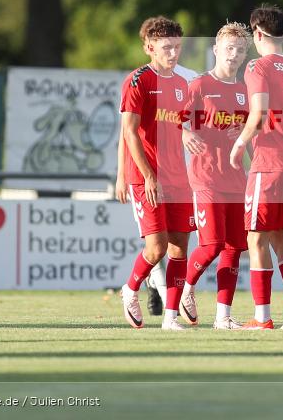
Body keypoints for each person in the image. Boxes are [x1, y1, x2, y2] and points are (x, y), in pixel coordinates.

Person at [228, 4, 283, 330]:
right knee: (280, 237)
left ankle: (262, 317)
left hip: (269, 165)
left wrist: (238, 144)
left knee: (255, 238)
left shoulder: (257, 68)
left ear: (257, 33)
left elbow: (259, 113)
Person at [118, 16, 197, 330]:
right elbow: (130, 132)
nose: (173, 53)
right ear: (149, 47)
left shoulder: (181, 84)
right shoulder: (138, 81)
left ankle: (171, 317)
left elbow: (178, 130)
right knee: (157, 248)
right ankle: (131, 288)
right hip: (146, 177)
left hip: (179, 178)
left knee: (180, 248)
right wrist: (148, 175)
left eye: (177, 46)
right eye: (166, 47)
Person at [178, 22, 252, 330]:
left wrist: (246, 138)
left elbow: (252, 133)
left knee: (235, 247)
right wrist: (185, 134)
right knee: (212, 245)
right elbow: (178, 121)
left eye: (240, 50)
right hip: (206, 178)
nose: (233, 55)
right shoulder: (200, 86)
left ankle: (223, 317)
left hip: (237, 179)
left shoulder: (246, 91)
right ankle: (186, 288)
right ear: (216, 50)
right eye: (229, 49)